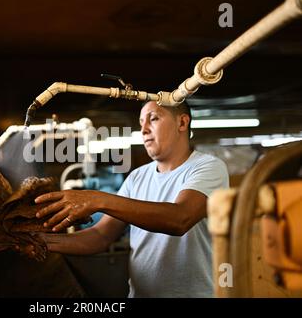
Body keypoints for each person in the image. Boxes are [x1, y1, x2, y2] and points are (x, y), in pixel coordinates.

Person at [34, 100, 229, 297]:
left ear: (182, 123)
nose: (143, 130)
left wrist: (97, 199)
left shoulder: (208, 167)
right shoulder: (137, 177)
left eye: (153, 119)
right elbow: (100, 237)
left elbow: (180, 218)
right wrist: (40, 241)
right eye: (141, 122)